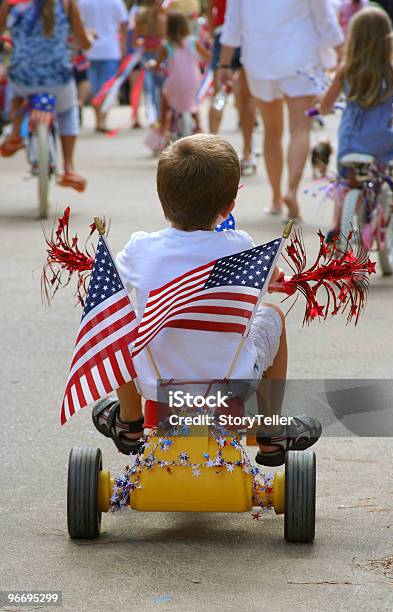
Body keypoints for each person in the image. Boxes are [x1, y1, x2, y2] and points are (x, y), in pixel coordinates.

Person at [91, 133, 322, 467]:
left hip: (155, 383)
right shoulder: (241, 246)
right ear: (229, 206)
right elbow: (272, 278)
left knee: (116, 318)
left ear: (162, 200)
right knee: (272, 316)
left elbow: (107, 292)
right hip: (229, 383)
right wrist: (275, 281)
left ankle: (128, 421)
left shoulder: (140, 248)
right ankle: (270, 430)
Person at [219, 0, 344, 220]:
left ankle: (276, 198)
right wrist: (341, 51)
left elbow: (232, 24)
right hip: (300, 57)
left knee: (271, 132)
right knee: (299, 129)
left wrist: (224, 64)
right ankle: (291, 192)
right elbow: (323, 16)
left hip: (260, 60)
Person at [320, 6, 393, 213]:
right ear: (387, 38)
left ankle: (336, 227)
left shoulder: (345, 71)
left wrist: (323, 109)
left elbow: (325, 106)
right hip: (381, 139)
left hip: (349, 142)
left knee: (345, 184)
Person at [0, 0, 93, 191]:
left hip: (22, 75)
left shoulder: (11, 3)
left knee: (16, 93)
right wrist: (89, 39)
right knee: (68, 112)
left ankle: (16, 132)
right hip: (58, 77)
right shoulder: (66, 3)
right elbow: (84, 42)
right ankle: (68, 167)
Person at [207, 0, 257, 176]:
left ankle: (210, 149)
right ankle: (247, 153)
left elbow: (210, 10)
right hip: (247, 36)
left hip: (223, 34)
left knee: (219, 95)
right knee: (247, 100)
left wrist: (212, 31)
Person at [156, 11, 210, 137]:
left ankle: (163, 130)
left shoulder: (166, 45)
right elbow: (208, 57)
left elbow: (158, 65)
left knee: (165, 101)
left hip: (174, 82)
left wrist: (154, 66)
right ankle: (200, 129)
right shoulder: (193, 41)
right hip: (193, 81)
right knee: (193, 105)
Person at [77, 0, 128, 132]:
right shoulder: (116, 2)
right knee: (107, 88)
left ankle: (98, 120)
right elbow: (123, 25)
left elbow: (78, 24)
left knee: (95, 88)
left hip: (89, 50)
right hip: (110, 50)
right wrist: (123, 47)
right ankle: (102, 121)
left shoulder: (82, 2)